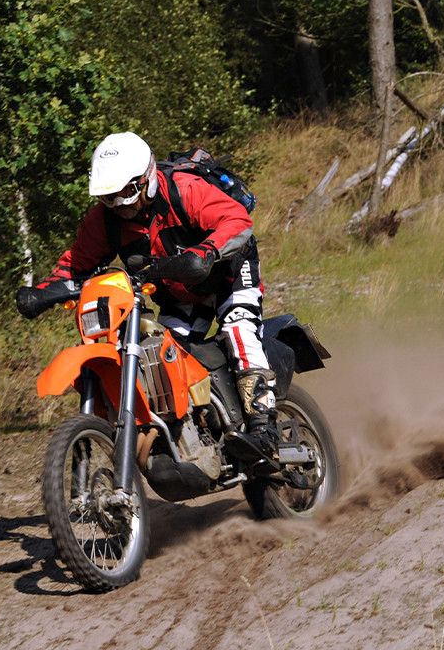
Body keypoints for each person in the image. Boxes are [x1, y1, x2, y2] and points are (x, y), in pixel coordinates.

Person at [17, 131, 278, 438]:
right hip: (179, 293)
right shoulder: (104, 219)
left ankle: (264, 428)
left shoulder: (185, 189)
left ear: (147, 180)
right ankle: (196, 431)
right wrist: (43, 292)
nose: (118, 203)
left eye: (126, 192)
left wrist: (207, 252)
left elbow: (237, 220)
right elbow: (77, 262)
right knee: (162, 360)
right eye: (108, 196)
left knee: (238, 331)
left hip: (229, 273)